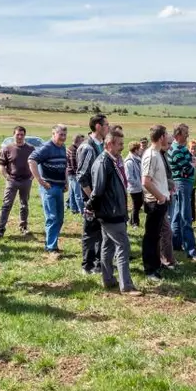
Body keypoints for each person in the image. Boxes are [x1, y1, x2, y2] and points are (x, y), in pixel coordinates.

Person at [86, 129, 142, 295]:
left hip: (113, 211)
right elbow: (98, 190)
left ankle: (109, 280)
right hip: (110, 213)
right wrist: (90, 206)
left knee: (108, 246)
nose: (122, 148)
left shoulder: (112, 161)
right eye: (119, 145)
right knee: (123, 246)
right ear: (109, 144)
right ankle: (126, 286)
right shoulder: (103, 163)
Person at [77, 114, 110, 274]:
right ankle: (87, 265)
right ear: (98, 126)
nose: (108, 128)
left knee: (101, 231)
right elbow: (82, 177)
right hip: (91, 198)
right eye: (106, 125)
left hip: (101, 197)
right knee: (90, 232)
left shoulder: (102, 145)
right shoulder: (87, 148)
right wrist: (92, 198)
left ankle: (99, 264)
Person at [28, 124, 68, 255]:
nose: (63, 137)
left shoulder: (62, 147)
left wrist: (66, 181)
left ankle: (51, 242)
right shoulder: (46, 147)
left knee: (60, 218)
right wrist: (40, 180)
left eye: (64, 134)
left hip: (60, 187)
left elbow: (64, 165)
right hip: (49, 187)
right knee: (52, 217)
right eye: (60, 134)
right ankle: (51, 247)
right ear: (53, 134)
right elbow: (32, 160)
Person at [141, 125, 172, 282]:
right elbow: (146, 181)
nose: (168, 137)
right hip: (154, 202)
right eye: (166, 134)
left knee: (157, 236)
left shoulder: (158, 153)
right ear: (161, 137)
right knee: (151, 237)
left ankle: (157, 264)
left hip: (161, 201)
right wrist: (160, 197)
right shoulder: (151, 155)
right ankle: (150, 269)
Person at [0, 126, 35, 238]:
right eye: (17, 134)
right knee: (6, 205)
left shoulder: (31, 149)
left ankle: (23, 227)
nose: (19, 136)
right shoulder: (7, 149)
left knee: (24, 205)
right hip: (12, 181)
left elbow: (35, 163)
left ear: (24, 135)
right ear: (14, 135)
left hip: (26, 181)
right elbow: (2, 165)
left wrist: (32, 177)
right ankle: (1, 229)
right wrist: (7, 176)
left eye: (22, 134)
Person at [168, 123, 196, 260]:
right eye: (186, 132)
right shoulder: (176, 150)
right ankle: (191, 250)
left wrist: (192, 163)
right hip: (181, 183)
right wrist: (195, 165)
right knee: (186, 216)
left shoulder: (182, 148)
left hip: (183, 183)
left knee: (177, 215)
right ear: (179, 134)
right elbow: (187, 168)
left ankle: (176, 244)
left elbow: (189, 161)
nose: (188, 135)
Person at [124, 141, 144, 228]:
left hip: (139, 187)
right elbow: (129, 178)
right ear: (135, 150)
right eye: (139, 148)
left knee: (138, 204)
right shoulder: (129, 161)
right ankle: (135, 223)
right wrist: (139, 184)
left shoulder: (137, 158)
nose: (141, 150)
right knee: (136, 205)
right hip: (134, 188)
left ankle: (132, 220)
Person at [66, 134, 85, 214]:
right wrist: (79, 174)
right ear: (79, 141)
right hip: (74, 174)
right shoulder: (74, 150)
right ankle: (82, 211)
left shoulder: (70, 148)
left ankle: (74, 209)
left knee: (72, 193)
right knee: (78, 194)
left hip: (70, 174)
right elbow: (74, 165)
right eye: (83, 141)